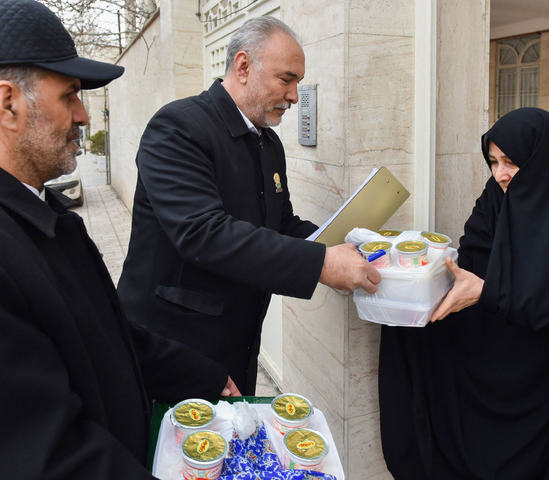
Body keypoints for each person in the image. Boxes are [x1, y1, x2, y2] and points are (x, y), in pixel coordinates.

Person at [0, 1, 240, 479]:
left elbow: (105, 335)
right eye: (71, 94)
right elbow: (42, 460)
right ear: (7, 103)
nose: (82, 115)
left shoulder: (32, 209)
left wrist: (203, 376)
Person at [378, 107, 549, 479]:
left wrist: (493, 293)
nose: (500, 174)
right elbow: (474, 259)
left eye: (511, 162)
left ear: (541, 157)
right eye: (493, 161)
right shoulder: (496, 197)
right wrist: (416, 282)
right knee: (410, 330)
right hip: (511, 334)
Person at [118, 16, 381, 395]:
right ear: (243, 67)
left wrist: (340, 243)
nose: (294, 95)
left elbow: (282, 223)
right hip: (172, 347)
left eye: (297, 84)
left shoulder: (268, 143)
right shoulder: (179, 127)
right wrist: (322, 264)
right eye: (286, 79)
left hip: (236, 344)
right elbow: (202, 233)